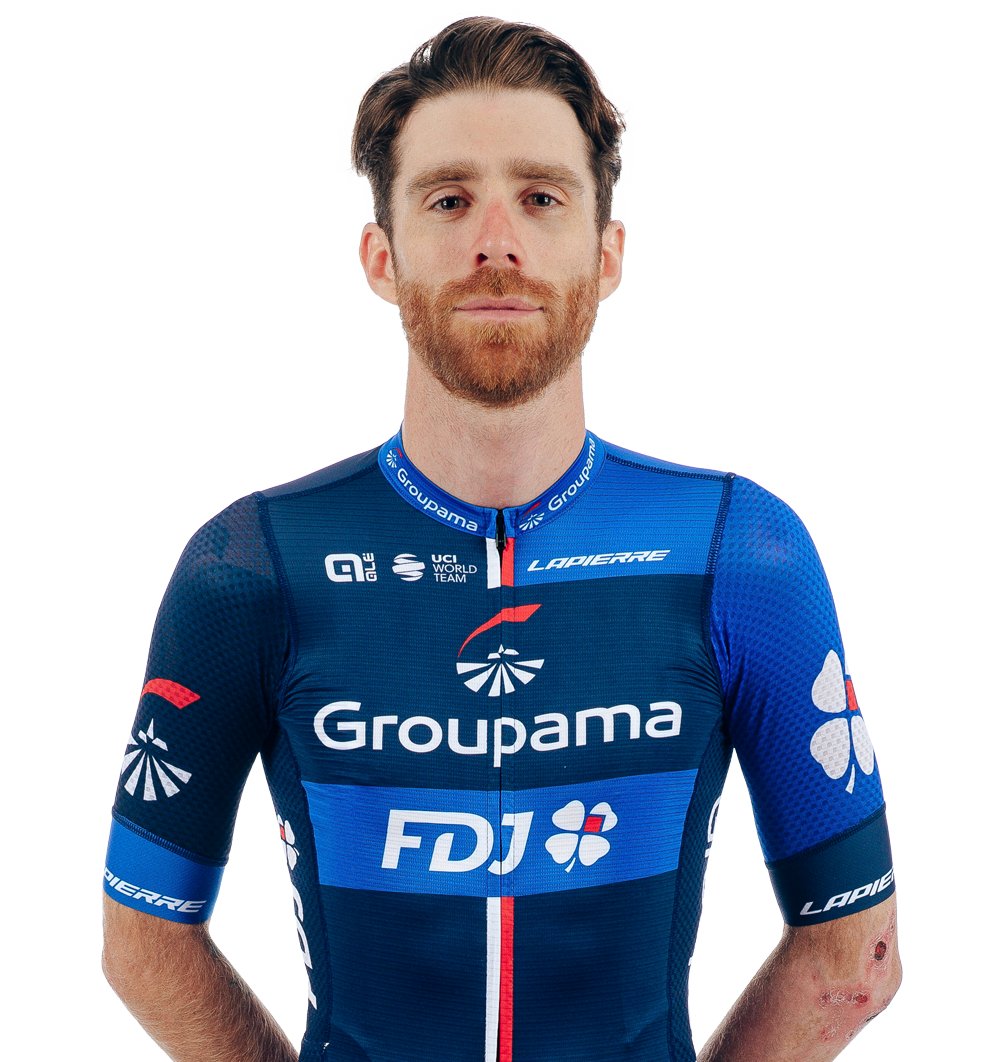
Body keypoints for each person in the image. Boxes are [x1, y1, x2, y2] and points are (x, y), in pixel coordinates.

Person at [101, 16, 901, 1062]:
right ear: (380, 257)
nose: (496, 241)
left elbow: (853, 955)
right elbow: (143, 936)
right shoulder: (249, 568)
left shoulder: (740, 557)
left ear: (606, 256)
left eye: (540, 197)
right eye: (448, 199)